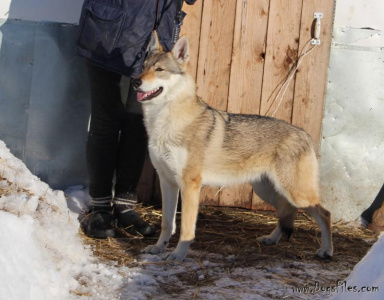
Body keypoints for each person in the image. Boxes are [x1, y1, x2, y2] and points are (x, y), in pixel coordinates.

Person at [76, 0, 196, 238]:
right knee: (106, 121)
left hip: (154, 41)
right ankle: (100, 209)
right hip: (109, 33)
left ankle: (125, 206)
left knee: (137, 125)